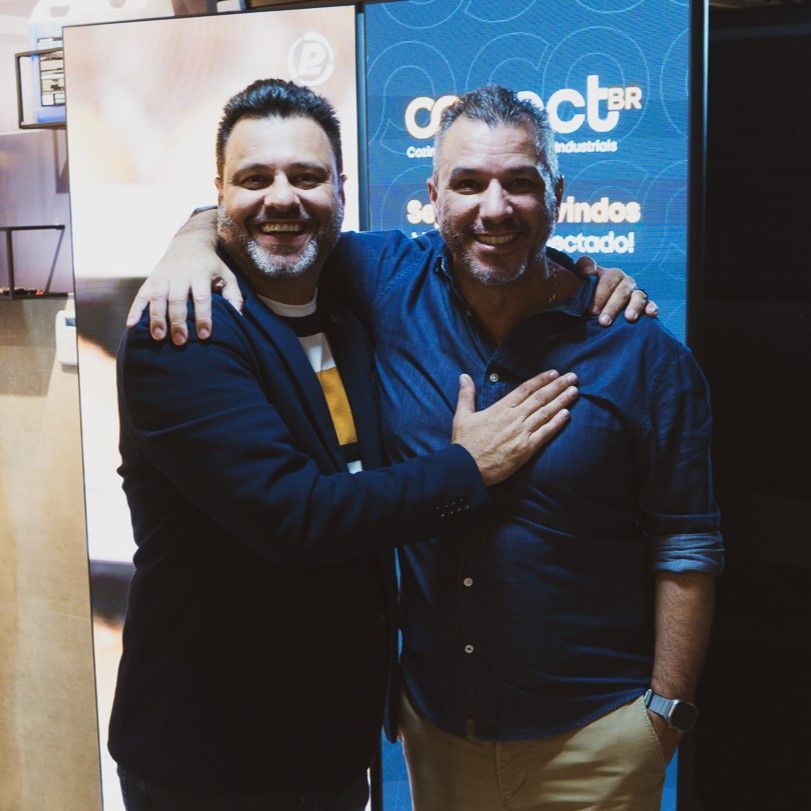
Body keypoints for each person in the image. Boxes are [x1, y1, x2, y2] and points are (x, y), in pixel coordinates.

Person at [130, 85, 713, 811]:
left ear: (556, 196)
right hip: (366, 738)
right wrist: (190, 239)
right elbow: (294, 515)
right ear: (432, 197)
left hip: (593, 735)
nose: (493, 208)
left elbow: (687, 541)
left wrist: (663, 715)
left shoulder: (638, 350)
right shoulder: (346, 293)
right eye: (467, 183)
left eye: (519, 182)